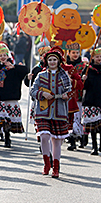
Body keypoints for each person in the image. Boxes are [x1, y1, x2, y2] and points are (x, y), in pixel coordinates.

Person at [30, 47, 72, 178]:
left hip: (59, 111)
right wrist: (42, 94)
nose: (52, 62)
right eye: (50, 60)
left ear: (59, 61)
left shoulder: (64, 76)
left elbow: (70, 92)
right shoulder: (40, 76)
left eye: (54, 60)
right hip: (43, 111)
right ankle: (46, 164)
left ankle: (56, 168)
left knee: (56, 141)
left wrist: (66, 96)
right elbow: (33, 91)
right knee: (44, 136)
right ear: (46, 61)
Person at [0, 43, 28, 148]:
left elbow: (25, 72)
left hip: (11, 97)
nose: (3, 57)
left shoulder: (14, 67)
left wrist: (14, 67)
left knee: (8, 121)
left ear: (8, 55)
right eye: (0, 55)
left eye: (4, 55)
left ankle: (7, 139)